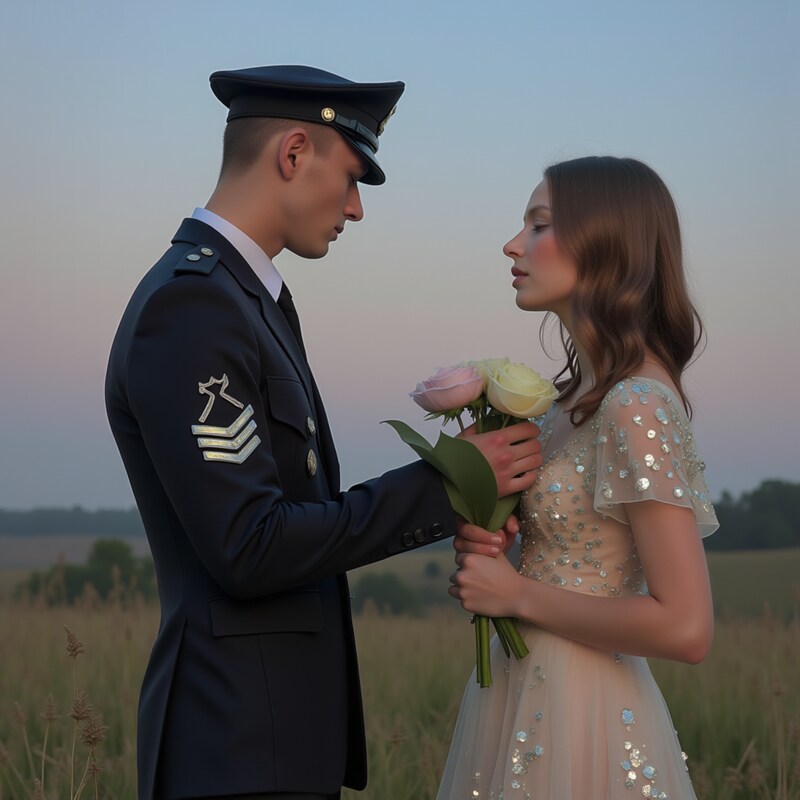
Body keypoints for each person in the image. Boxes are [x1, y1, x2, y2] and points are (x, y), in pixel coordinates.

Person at [104, 65, 543, 800]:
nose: (356, 208)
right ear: (295, 152)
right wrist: (449, 483)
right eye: (351, 177)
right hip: (232, 751)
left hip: (267, 745)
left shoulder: (246, 300)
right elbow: (251, 545)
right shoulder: (193, 308)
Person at [443, 156, 719, 799]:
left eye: (539, 225)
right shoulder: (571, 403)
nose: (513, 245)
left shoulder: (636, 404)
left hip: (587, 713)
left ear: (607, 244)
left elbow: (687, 627)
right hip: (517, 691)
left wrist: (516, 596)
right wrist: (491, 536)